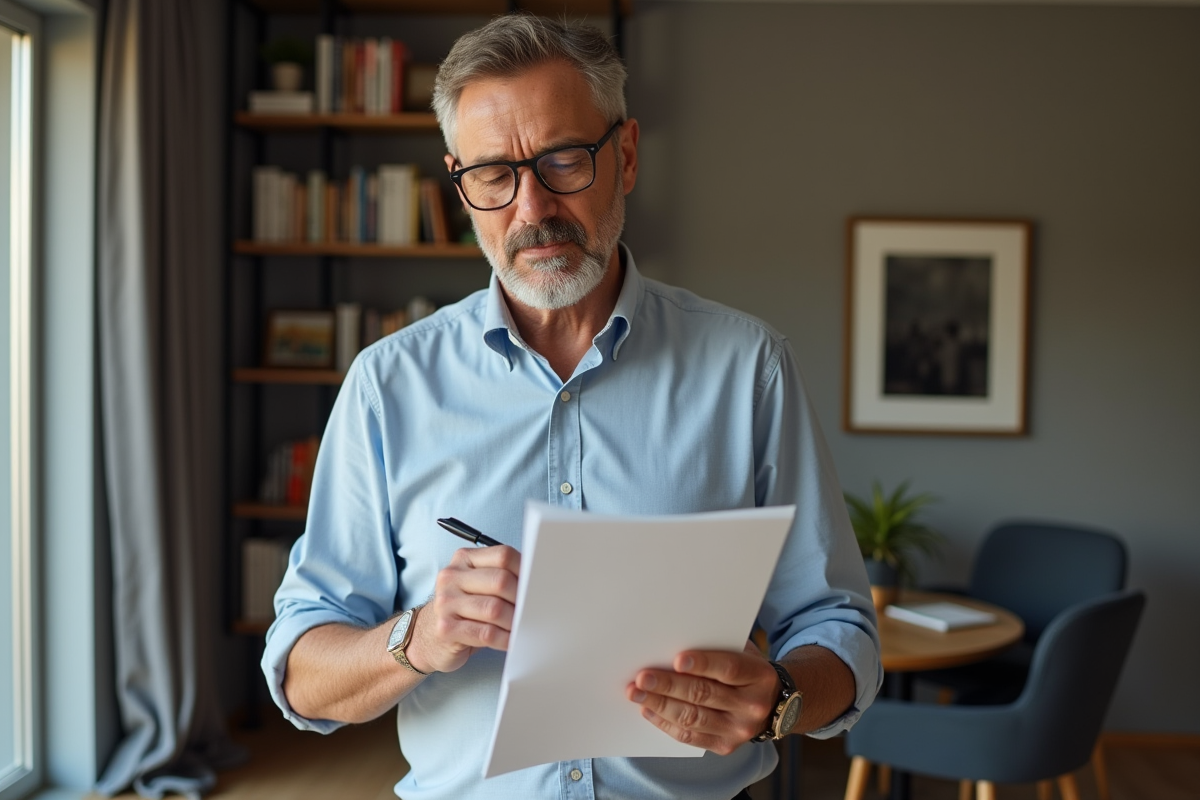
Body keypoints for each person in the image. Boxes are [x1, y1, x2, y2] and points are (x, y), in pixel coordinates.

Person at [263, 13, 881, 800]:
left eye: (562, 160)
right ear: (459, 183)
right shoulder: (387, 386)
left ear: (626, 156)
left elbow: (840, 631)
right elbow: (302, 674)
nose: (532, 209)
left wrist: (778, 699)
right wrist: (417, 637)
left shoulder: (749, 369)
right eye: (494, 174)